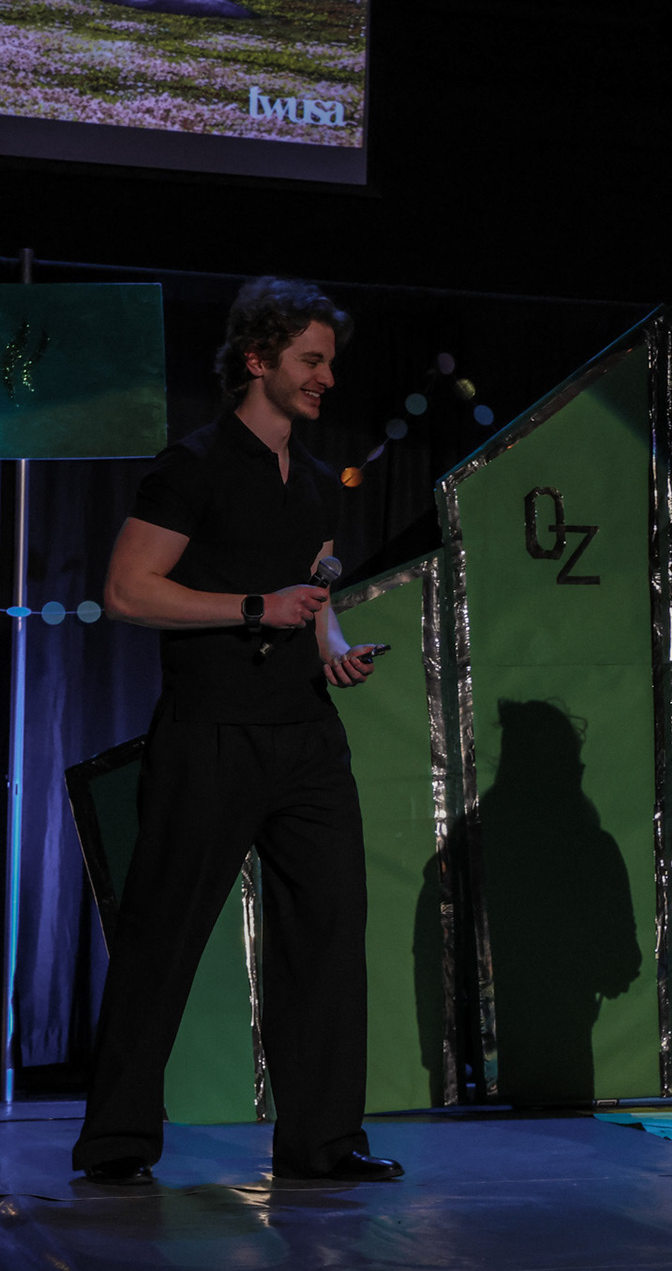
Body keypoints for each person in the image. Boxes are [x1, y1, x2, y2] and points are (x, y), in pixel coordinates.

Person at [72, 277, 401, 1185]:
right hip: (211, 733)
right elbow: (128, 590)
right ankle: (117, 1142)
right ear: (258, 360)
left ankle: (322, 1141)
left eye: (330, 362)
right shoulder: (195, 465)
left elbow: (314, 591)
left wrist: (333, 646)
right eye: (310, 360)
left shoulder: (316, 479)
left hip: (305, 738)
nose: (326, 377)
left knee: (327, 932)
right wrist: (254, 606)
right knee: (163, 937)